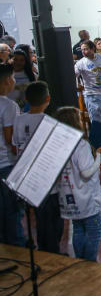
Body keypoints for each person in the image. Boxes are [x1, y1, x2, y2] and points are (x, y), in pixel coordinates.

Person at [13, 82, 63, 253]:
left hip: (29, 177)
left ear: (26, 99)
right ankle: (52, 251)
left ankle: (45, 249)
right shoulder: (49, 122)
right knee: (54, 218)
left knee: (41, 218)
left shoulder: (18, 120)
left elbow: (15, 145)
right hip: (48, 179)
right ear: (48, 99)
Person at [55, 107, 101, 261]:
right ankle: (89, 263)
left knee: (78, 230)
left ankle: (80, 261)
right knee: (94, 230)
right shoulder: (80, 145)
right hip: (86, 198)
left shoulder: (57, 145)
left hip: (70, 197)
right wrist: (99, 157)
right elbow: (87, 173)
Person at [0, 64, 22, 246]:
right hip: (6, 163)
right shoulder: (8, 105)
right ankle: (16, 247)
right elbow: (10, 138)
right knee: (13, 210)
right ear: (7, 81)